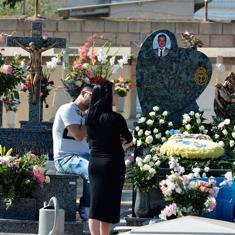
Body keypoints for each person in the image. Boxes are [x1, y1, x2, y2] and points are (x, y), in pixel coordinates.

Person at [86, 80, 133, 235]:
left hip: (94, 163)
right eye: (113, 92)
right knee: (109, 204)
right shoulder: (116, 118)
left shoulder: (90, 116)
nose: (116, 95)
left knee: (96, 203)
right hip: (112, 163)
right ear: (106, 96)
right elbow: (129, 138)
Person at [52, 85, 93, 221]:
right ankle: (86, 207)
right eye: (92, 96)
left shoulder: (86, 114)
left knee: (107, 167)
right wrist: (94, 121)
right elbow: (78, 135)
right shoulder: (68, 109)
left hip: (84, 156)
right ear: (83, 93)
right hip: (65, 158)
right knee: (91, 170)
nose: (95, 100)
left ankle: (100, 207)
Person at [13, 40, 57, 104]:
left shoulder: (38, 51)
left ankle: (34, 96)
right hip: (31, 69)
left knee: (34, 83)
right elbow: (22, 47)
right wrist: (17, 42)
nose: (32, 47)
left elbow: (47, 48)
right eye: (30, 46)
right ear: (30, 47)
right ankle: (33, 96)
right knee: (31, 83)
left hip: (37, 69)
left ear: (34, 46)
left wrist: (54, 44)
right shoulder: (30, 51)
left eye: (33, 45)